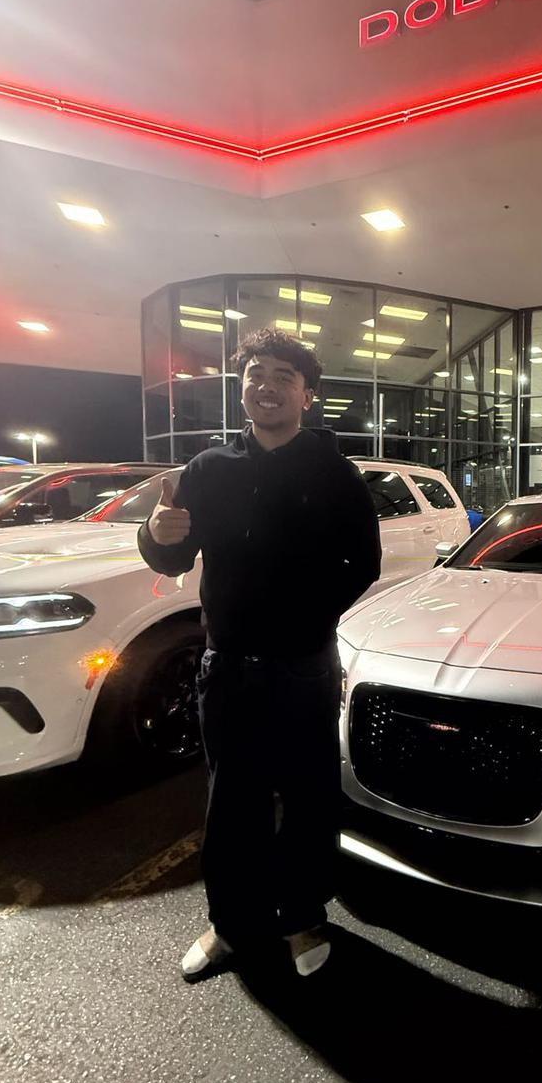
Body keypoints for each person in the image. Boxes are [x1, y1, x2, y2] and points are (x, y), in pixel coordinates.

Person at [138, 329, 381, 981]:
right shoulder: (208, 470)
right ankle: (230, 923)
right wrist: (155, 534)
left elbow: (363, 562)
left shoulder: (333, 473)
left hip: (303, 667)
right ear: (241, 387)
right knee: (231, 803)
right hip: (226, 669)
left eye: (283, 376)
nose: (266, 386)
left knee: (307, 797)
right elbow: (171, 556)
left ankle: (302, 918)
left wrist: (306, 619)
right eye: (255, 374)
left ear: (308, 394)